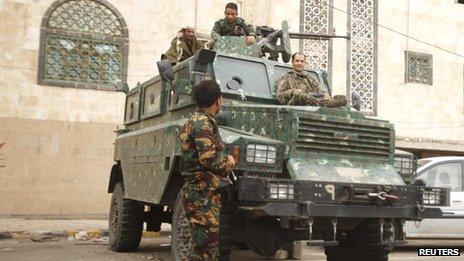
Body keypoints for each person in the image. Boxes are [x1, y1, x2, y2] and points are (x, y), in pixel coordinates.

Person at [179, 80, 236, 260]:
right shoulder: (203, 123)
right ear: (218, 100)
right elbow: (208, 158)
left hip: (200, 191)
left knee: (203, 247)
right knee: (206, 250)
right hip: (202, 193)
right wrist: (228, 161)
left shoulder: (195, 120)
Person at [276, 52, 347, 107]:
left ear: (305, 63)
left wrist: (325, 96)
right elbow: (280, 96)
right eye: (297, 61)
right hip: (297, 103)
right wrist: (292, 92)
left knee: (343, 98)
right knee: (301, 95)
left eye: (301, 61)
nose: (299, 63)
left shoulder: (310, 78)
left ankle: (325, 103)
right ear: (292, 62)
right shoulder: (287, 77)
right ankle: (324, 104)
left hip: (314, 101)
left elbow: (321, 91)